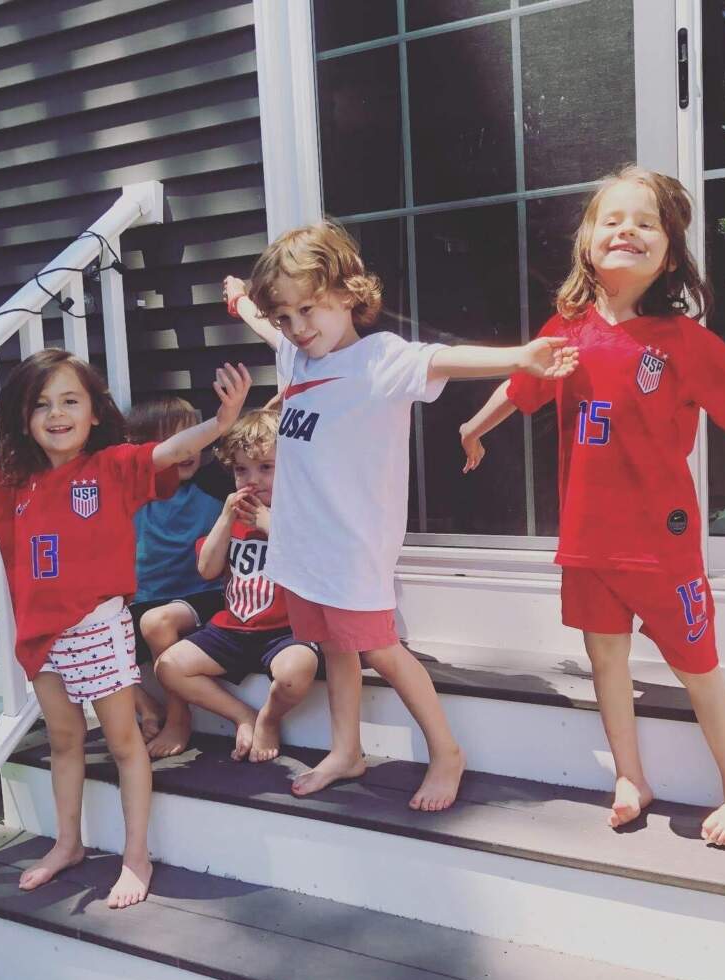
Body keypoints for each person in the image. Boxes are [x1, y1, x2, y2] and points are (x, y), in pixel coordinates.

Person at [459, 166, 725, 846]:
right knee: (606, 661)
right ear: (588, 241)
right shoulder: (565, 332)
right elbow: (520, 383)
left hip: (661, 544)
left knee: (698, 667)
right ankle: (629, 774)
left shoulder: (680, 341)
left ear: (668, 254)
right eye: (612, 219)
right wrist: (474, 427)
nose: (628, 231)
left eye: (646, 223)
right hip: (587, 543)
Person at [0, 349, 250, 905]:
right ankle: (68, 843)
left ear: (94, 411)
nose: (57, 413)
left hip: (99, 628)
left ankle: (136, 856)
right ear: (23, 419)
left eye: (70, 400)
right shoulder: (10, 484)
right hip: (41, 638)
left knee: (124, 744)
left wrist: (221, 423)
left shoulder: (113, 467)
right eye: (41, 404)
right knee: (64, 739)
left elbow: (169, 450)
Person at [225, 220, 577, 812]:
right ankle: (346, 750)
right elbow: (265, 323)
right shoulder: (296, 356)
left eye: (309, 309)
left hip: (353, 547)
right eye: (286, 317)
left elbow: (442, 359)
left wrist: (522, 357)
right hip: (303, 545)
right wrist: (241, 300)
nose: (298, 327)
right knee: (337, 649)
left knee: (380, 650)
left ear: (346, 292)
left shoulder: (379, 360)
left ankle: (446, 752)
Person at [154, 409, 322, 763]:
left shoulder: (301, 515)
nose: (253, 480)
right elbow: (207, 569)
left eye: (266, 468)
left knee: (295, 674)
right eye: (241, 470)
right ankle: (242, 715)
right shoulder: (234, 516)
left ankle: (268, 718)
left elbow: (315, 563)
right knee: (168, 667)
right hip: (233, 628)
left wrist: (269, 522)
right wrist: (227, 518)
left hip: (286, 630)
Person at [126, 396, 231, 758]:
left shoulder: (214, 482)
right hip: (143, 601)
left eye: (194, 438)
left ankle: (178, 717)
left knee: (158, 623)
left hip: (202, 595)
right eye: (175, 442)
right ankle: (144, 704)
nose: (188, 450)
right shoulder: (132, 492)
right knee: (74, 637)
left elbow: (255, 438)